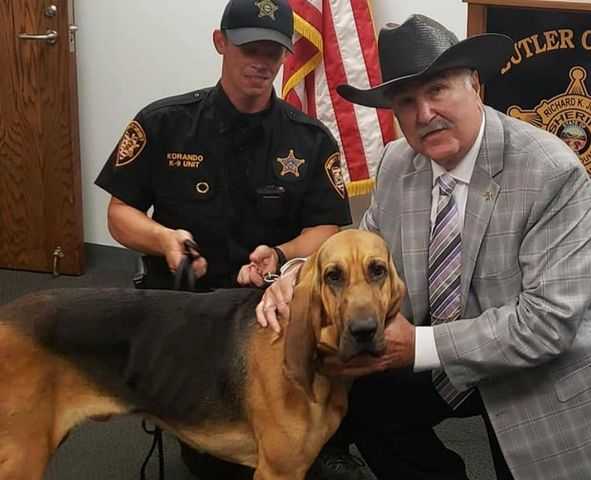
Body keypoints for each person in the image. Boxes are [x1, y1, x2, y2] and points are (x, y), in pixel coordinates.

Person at [257, 14, 591, 480]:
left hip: (527, 365)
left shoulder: (550, 171)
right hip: (427, 346)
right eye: (406, 101)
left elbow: (547, 323)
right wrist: (295, 274)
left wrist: (418, 344)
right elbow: (358, 247)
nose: (424, 114)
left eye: (437, 90)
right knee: (357, 397)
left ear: (475, 85)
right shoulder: (398, 162)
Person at [95, 0, 356, 478]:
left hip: (274, 313)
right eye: (248, 48)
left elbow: (326, 230)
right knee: (214, 463)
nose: (261, 62)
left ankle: (326, 442)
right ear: (220, 43)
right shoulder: (164, 122)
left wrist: (281, 253)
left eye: (272, 53)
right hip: (189, 313)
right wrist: (164, 240)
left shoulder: (310, 139)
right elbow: (119, 214)